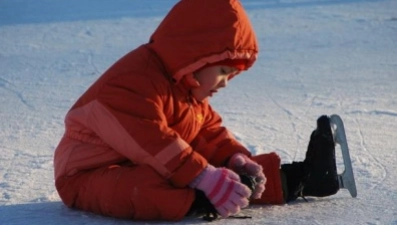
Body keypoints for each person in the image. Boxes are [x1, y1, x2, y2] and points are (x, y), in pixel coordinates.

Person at [53, 0, 340, 221]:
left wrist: (235, 159)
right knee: (156, 184)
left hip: (140, 161)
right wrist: (205, 179)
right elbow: (154, 142)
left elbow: (207, 134)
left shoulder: (184, 88)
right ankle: (204, 199)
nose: (227, 82)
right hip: (87, 175)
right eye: (224, 71)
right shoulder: (129, 83)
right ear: (197, 58)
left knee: (216, 172)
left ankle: (302, 177)